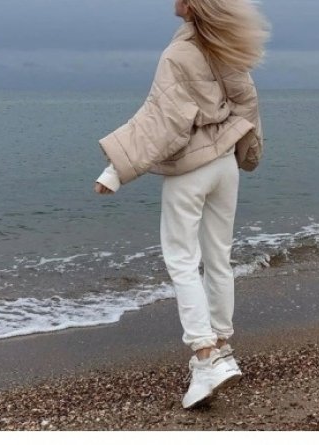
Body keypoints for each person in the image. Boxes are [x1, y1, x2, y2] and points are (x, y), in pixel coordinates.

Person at [93, 0, 269, 409]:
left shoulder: (178, 53)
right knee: (219, 259)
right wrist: (249, 152)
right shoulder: (226, 44)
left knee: (182, 260)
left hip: (192, 168)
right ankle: (222, 349)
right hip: (225, 167)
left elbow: (163, 121)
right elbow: (248, 104)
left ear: (191, 4)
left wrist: (116, 170)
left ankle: (205, 358)